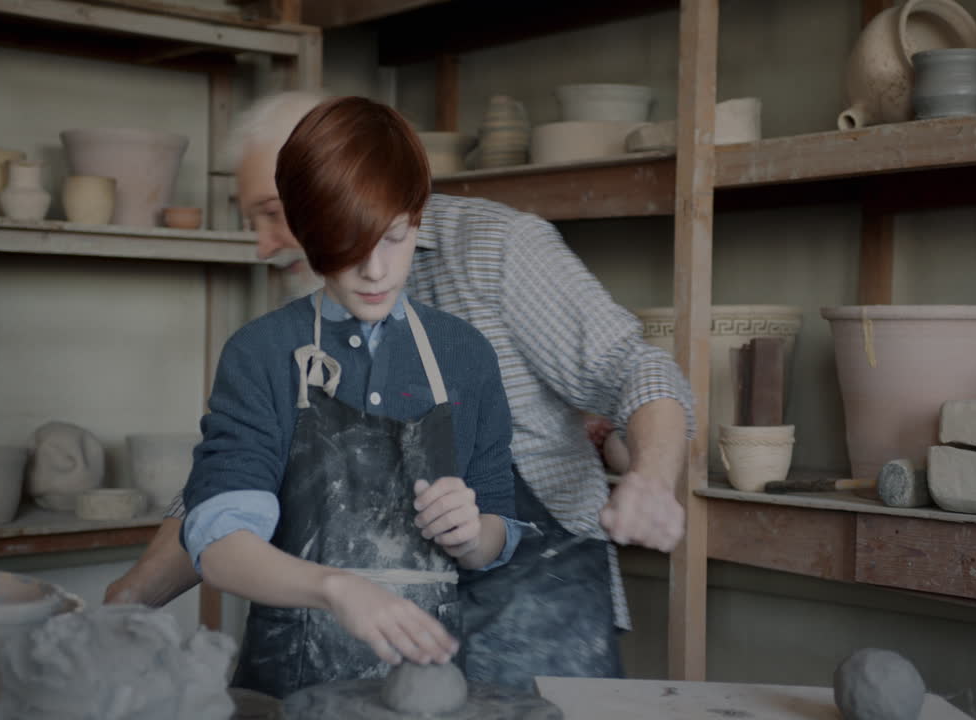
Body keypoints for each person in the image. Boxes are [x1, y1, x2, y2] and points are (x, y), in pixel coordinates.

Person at [105, 90, 694, 691]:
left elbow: (635, 368)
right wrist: (127, 601)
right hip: (355, 623)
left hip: (534, 602)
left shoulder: (496, 252)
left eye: (273, 213)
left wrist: (650, 478)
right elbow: (229, 486)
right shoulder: (288, 328)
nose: (265, 245)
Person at [181, 96, 525, 699]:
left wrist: (473, 534)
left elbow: (498, 526)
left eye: (394, 237)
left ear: (417, 219)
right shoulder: (262, 352)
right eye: (347, 242)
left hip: (426, 691)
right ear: (307, 230)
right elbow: (220, 547)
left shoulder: (465, 355)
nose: (374, 270)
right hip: (288, 684)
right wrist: (336, 588)